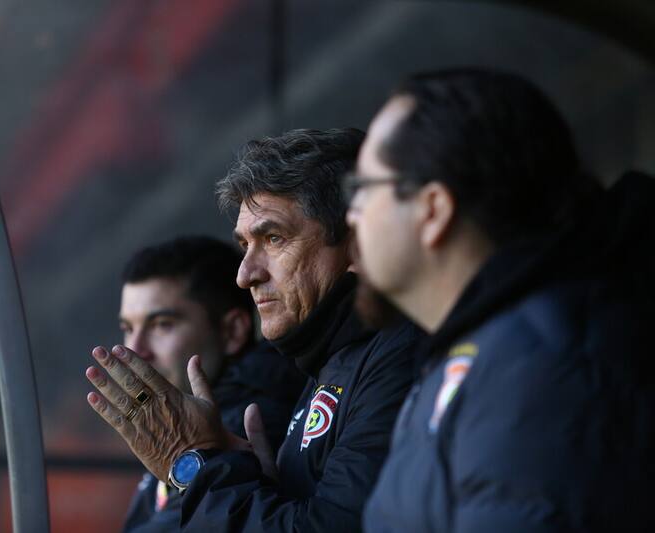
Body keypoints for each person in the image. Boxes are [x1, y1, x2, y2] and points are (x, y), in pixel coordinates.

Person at [345, 68, 654, 532]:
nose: (351, 215)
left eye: (363, 189)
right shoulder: (484, 354)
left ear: (433, 210)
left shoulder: (539, 371)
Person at [85, 128, 422, 531]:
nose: (245, 274)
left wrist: (194, 464)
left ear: (356, 243)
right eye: (245, 245)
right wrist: (252, 480)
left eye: (274, 238)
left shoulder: (399, 354)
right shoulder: (327, 361)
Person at [116, 236, 305, 532]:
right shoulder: (176, 422)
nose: (136, 349)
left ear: (232, 331)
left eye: (162, 324)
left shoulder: (247, 424)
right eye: (128, 328)